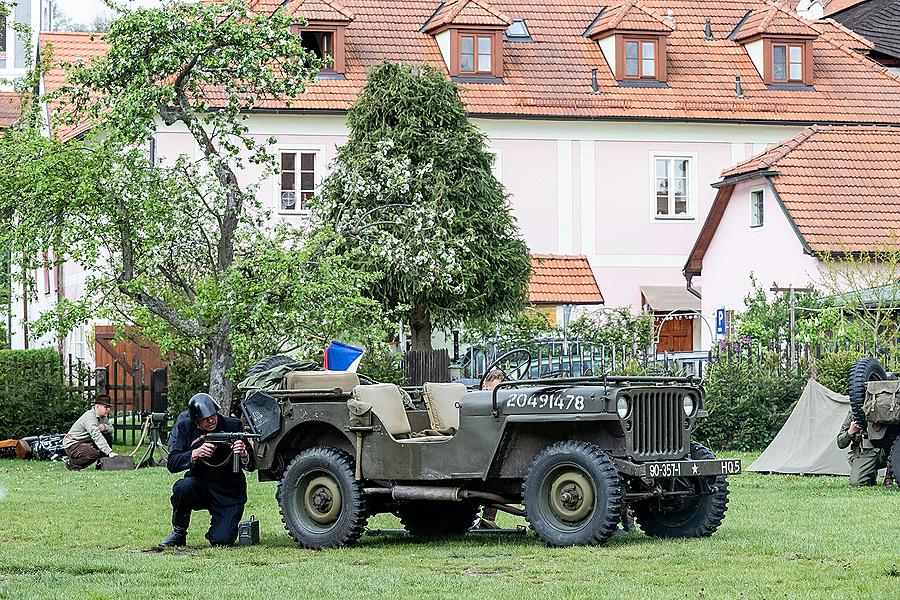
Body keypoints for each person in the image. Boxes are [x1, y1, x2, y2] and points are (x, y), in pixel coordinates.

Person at [157, 393, 255, 549]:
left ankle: (220, 528)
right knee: (183, 487)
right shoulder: (185, 427)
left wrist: (243, 453)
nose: (211, 420)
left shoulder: (232, 426)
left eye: (213, 415)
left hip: (228, 492)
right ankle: (179, 533)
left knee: (222, 541)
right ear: (196, 421)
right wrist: (195, 453)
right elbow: (173, 463)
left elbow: (251, 465)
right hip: (200, 486)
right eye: (205, 418)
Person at [475, 369, 507, 529]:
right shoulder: (477, 401)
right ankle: (485, 519)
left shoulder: (496, 403)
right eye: (492, 390)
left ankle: (488, 519)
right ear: (485, 387)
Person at [62, 394, 118, 470]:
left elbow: (112, 429)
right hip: (73, 444)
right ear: (97, 406)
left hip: (85, 441)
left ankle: (102, 466)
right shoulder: (90, 418)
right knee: (93, 454)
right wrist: (109, 452)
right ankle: (72, 464)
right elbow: (96, 436)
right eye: (106, 407)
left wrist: (105, 427)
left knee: (107, 436)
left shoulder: (103, 417)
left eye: (109, 407)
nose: (108, 410)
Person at [837, 410, 888, 486]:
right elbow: (840, 443)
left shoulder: (891, 409)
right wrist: (850, 431)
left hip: (887, 451)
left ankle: (889, 476)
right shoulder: (855, 411)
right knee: (856, 482)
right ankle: (869, 472)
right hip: (866, 453)